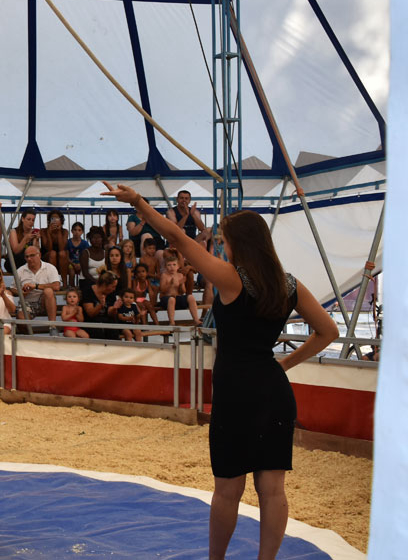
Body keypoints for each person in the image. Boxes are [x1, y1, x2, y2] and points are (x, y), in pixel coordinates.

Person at [102, 181, 339, 560]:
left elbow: (176, 235)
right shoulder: (289, 284)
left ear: (238, 244)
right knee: (273, 489)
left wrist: (138, 203)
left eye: (225, 241)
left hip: (235, 393)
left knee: (228, 489)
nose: (222, 248)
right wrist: (284, 364)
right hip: (274, 391)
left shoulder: (232, 278)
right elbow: (329, 331)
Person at [15, 246, 60, 322]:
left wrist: (36, 286)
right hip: (28, 302)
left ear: (39, 255)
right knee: (21, 320)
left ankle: (52, 326)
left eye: (32, 255)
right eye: (27, 256)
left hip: (45, 301)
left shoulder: (50, 268)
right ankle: (28, 333)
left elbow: (56, 286)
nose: (29, 259)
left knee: (48, 291)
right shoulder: (20, 270)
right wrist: (21, 292)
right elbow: (13, 288)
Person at [159, 253, 201, 326]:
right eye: (169, 265)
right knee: (172, 299)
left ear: (178, 266)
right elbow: (162, 290)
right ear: (166, 267)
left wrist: (181, 284)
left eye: (174, 265)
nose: (172, 267)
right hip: (167, 299)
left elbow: (183, 291)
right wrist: (170, 284)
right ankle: (172, 322)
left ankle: (196, 320)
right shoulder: (164, 275)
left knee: (190, 297)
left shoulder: (180, 275)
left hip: (177, 297)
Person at [39, 210, 69, 276]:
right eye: (52, 218)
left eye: (57, 218)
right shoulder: (43, 231)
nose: (55, 221)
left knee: (63, 253)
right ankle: (53, 281)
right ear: (49, 220)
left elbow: (62, 248)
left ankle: (64, 284)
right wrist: (49, 233)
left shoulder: (64, 231)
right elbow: (48, 249)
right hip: (47, 257)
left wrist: (59, 232)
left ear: (61, 221)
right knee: (52, 253)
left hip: (61, 259)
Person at [65, 221, 89, 288]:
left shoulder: (85, 243)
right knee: (71, 272)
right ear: (72, 231)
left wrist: (81, 264)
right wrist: (73, 264)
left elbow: (87, 256)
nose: (77, 232)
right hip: (71, 263)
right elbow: (66, 256)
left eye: (79, 230)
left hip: (82, 264)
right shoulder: (68, 242)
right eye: (75, 230)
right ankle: (72, 287)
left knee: (84, 272)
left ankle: (83, 287)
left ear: (82, 232)